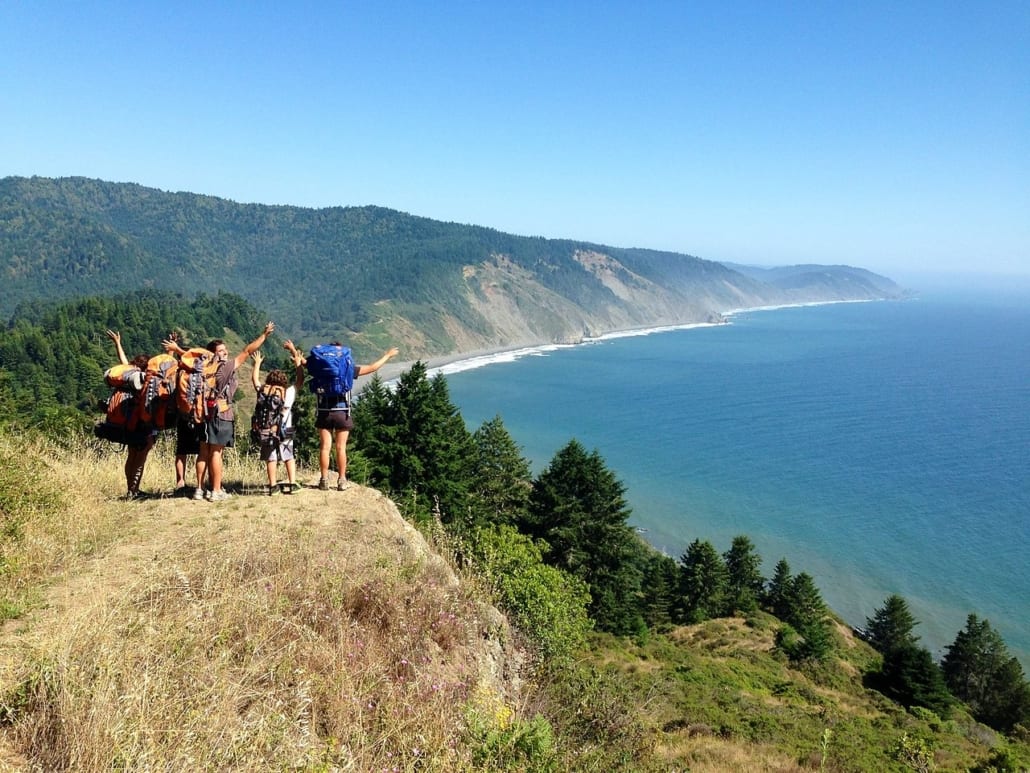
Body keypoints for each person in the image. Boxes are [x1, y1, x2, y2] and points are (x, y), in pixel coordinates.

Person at [166, 322, 275, 501]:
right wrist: (264, 335)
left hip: (202, 414)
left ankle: (199, 489)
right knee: (216, 452)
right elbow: (247, 351)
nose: (225, 352)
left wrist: (176, 349)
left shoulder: (202, 369)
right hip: (220, 414)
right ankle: (216, 490)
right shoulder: (223, 368)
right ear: (214, 354)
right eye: (222, 351)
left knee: (203, 452)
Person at [308, 343, 399, 491]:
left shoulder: (318, 367)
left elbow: (301, 362)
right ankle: (342, 480)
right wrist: (387, 355)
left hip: (324, 411)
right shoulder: (348, 369)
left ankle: (324, 480)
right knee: (341, 447)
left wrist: (293, 351)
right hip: (342, 411)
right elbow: (373, 367)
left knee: (325, 447)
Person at [105, 329, 156, 499]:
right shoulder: (141, 380)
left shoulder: (128, 377)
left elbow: (123, 361)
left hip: (127, 423)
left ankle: (131, 489)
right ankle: (134, 490)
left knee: (131, 455)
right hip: (140, 424)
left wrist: (117, 343)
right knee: (140, 457)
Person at [250, 342, 305, 495]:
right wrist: (298, 364)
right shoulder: (287, 392)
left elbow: (254, 380)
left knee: (271, 457)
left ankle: (273, 486)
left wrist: (257, 364)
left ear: (269, 380)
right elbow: (300, 381)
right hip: (285, 428)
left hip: (267, 428)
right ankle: (292, 483)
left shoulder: (263, 390)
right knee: (288, 455)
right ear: (283, 381)